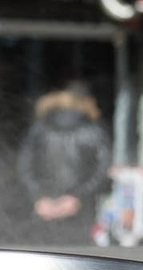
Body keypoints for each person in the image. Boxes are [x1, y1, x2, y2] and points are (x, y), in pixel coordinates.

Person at [18, 82, 108, 241]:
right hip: (80, 212)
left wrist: (38, 197)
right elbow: (102, 170)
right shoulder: (93, 129)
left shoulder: (39, 129)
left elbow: (25, 167)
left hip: (43, 210)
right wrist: (77, 197)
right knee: (81, 261)